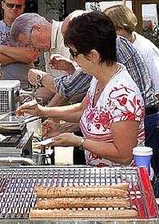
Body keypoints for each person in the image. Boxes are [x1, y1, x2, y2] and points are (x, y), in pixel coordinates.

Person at [17, 11, 145, 167]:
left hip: (122, 182)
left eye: (74, 53)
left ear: (93, 56)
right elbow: (82, 109)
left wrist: (79, 141)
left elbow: (124, 154)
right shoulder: (98, 80)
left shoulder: (122, 94)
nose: (71, 58)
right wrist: (43, 112)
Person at [104, 5, 159, 206]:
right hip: (143, 123)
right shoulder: (124, 48)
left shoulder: (146, 51)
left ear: (121, 30)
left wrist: (129, 107)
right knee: (147, 179)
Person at [9, 11, 74, 102]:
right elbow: (53, 88)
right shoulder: (48, 47)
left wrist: (41, 77)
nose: (31, 49)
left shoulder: (66, 36)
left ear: (37, 29)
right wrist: (29, 97)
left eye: (30, 43)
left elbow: (69, 89)